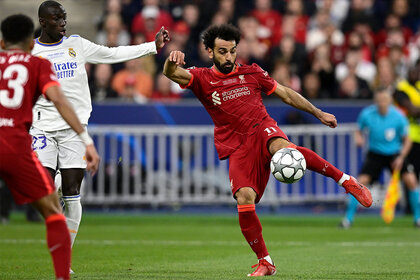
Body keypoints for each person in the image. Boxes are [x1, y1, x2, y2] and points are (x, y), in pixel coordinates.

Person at [163, 24, 372, 277]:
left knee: (284, 150)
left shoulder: (252, 72)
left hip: (262, 128)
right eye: (222, 52)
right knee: (244, 199)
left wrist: (318, 113)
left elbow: (285, 93)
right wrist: (171, 62)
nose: (229, 57)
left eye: (232, 51)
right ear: (210, 52)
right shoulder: (202, 78)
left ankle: (347, 181)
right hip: (237, 146)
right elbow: (173, 74)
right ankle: (265, 261)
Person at [30, 1, 169, 272]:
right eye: (56, 19)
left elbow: (112, 53)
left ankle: (64, 257)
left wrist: (152, 46)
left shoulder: (77, 45)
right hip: (42, 125)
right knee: (43, 189)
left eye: (64, 17)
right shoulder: (32, 52)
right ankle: (54, 181)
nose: (63, 23)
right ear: (43, 22)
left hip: (74, 128)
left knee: (73, 194)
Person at [0, 14, 100, 279]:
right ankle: (61, 275)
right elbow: (60, 101)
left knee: (60, 191)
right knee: (54, 212)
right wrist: (86, 140)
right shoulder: (37, 64)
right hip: (16, 146)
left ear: (1, 42)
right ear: (30, 44)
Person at [340, 88, 419, 228]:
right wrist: (358, 138)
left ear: (390, 101)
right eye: (379, 100)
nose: (382, 103)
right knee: (360, 183)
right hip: (375, 153)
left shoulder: (399, 116)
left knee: (411, 181)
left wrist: (401, 157)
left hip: (395, 154)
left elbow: (407, 140)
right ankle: (348, 219)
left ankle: (417, 218)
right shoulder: (367, 114)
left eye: (384, 100)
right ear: (375, 101)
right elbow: (358, 129)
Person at [394, 64, 420, 227]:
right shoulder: (400, 88)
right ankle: (410, 210)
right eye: (413, 70)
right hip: (407, 138)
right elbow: (413, 110)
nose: (416, 73)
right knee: (411, 174)